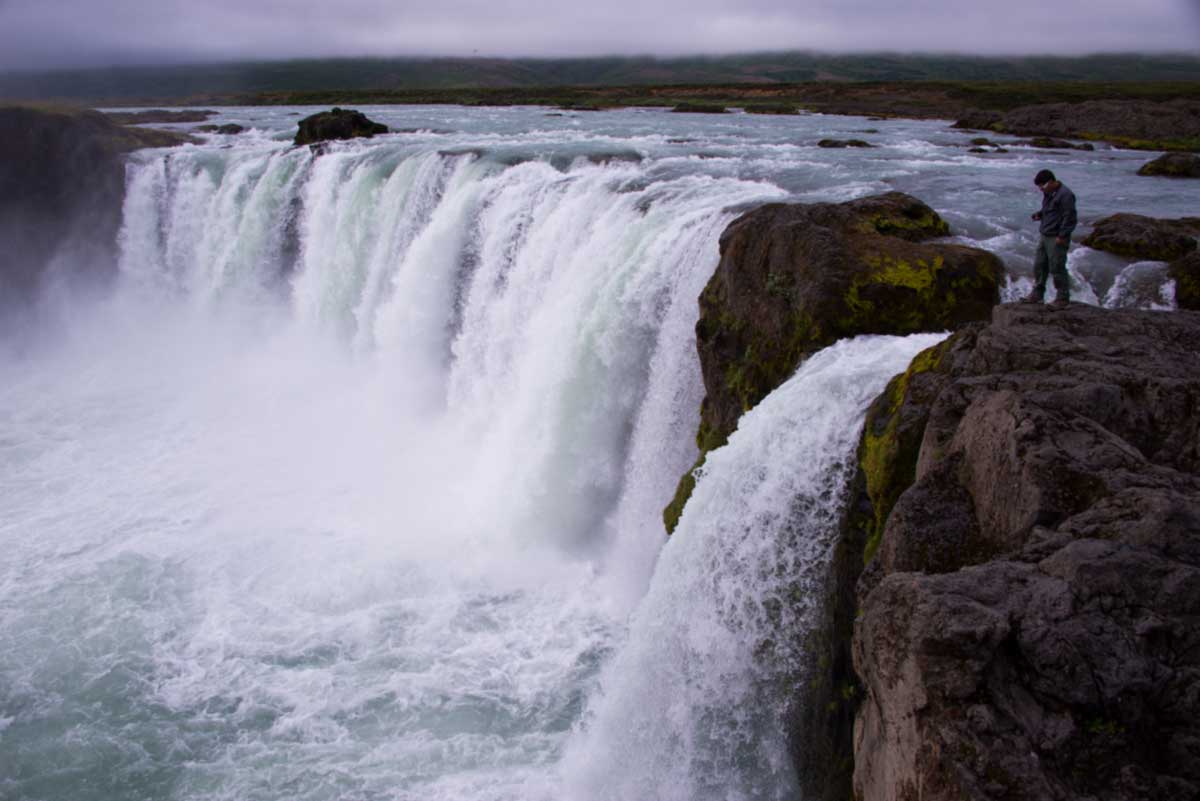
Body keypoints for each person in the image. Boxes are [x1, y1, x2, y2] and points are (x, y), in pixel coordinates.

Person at [1024, 169, 1077, 306]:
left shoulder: (1066, 195)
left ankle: (1062, 298)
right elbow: (1049, 210)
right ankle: (1037, 294)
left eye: (1043, 185)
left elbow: (1070, 217)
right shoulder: (1048, 193)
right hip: (1045, 234)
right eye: (1039, 186)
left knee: (1057, 267)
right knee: (1039, 265)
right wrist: (1039, 215)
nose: (1041, 189)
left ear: (1052, 181)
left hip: (1057, 237)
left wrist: (1062, 235)